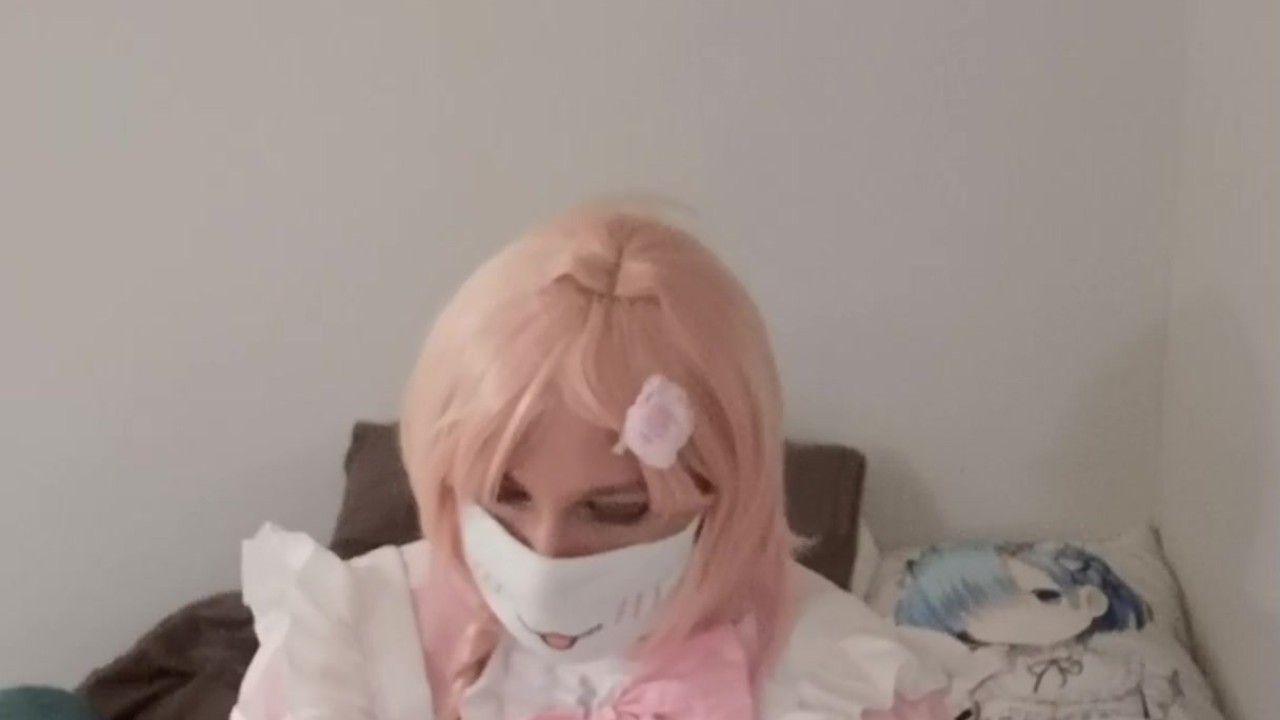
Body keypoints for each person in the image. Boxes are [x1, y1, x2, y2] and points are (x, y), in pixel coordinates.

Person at [231, 205, 952, 719]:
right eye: (505, 496)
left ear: (724, 490)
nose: (546, 555)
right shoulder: (343, 639)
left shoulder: (840, 678)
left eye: (613, 510)